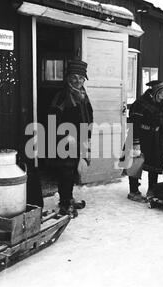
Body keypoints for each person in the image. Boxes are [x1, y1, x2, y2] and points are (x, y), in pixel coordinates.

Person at [49, 60, 94, 218]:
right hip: (65, 140)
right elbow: (52, 119)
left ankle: (69, 198)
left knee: (74, 170)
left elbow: (88, 115)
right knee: (66, 171)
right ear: (68, 78)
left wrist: (87, 137)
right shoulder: (62, 96)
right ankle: (64, 203)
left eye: (81, 78)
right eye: (74, 77)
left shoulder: (83, 95)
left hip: (81, 139)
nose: (78, 81)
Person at [127, 81, 163, 203]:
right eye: (161, 94)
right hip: (139, 136)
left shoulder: (159, 104)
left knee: (155, 163)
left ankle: (152, 189)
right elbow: (134, 123)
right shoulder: (140, 104)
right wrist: (135, 142)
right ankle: (133, 191)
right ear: (155, 92)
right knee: (135, 163)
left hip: (155, 137)